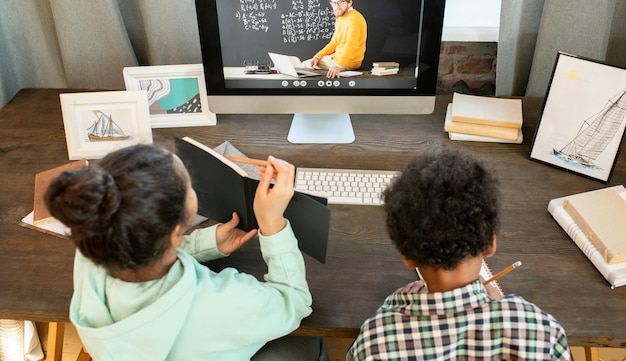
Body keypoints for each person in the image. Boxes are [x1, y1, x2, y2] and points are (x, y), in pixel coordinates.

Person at [44, 143, 327, 361]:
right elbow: (295, 300)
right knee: (313, 340)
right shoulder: (225, 303)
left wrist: (207, 243)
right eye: (189, 186)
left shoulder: (91, 251)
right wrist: (272, 223)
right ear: (174, 231)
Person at [347, 148, 570, 361]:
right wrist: (503, 309)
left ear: (408, 257)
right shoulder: (540, 331)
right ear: (490, 243)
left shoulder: (374, 345)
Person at [302, 0, 367, 78]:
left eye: (340, 2)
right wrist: (317, 56)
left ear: (349, 3)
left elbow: (352, 45)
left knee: (302, 66)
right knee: (312, 62)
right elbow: (334, 43)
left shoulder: (354, 18)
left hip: (346, 61)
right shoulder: (340, 18)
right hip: (338, 58)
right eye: (333, 3)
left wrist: (339, 65)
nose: (336, 6)